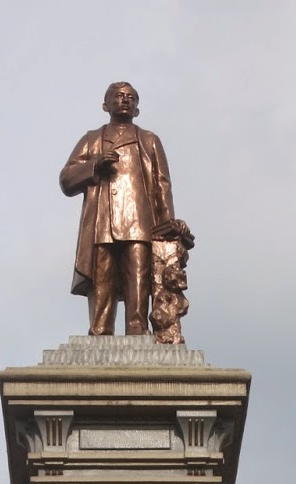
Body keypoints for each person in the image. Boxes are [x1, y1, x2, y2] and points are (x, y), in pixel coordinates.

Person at [60, 82, 178, 336]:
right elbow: (67, 179)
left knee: (138, 276)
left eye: (131, 98)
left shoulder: (148, 140)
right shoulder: (92, 140)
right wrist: (93, 166)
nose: (125, 101)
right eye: (118, 97)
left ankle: (137, 327)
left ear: (137, 109)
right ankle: (100, 329)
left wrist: (167, 224)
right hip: (102, 222)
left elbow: (162, 184)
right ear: (106, 105)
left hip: (140, 222)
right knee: (102, 277)